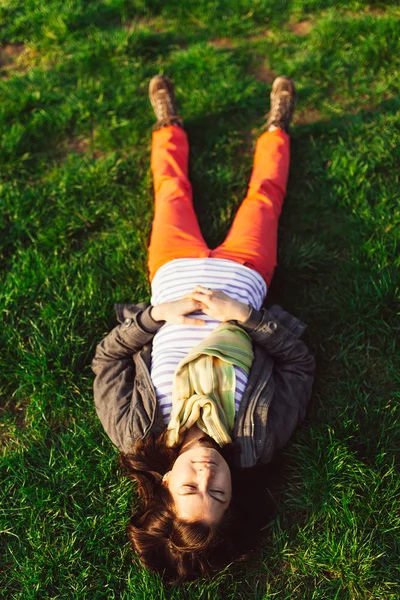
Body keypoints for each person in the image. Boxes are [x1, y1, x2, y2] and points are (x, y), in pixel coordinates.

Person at [91, 74, 315, 583]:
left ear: (165, 481)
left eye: (190, 489)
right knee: (265, 196)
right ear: (234, 494)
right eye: (219, 494)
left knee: (171, 189)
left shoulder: (135, 432)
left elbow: (106, 360)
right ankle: (278, 126)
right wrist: (243, 317)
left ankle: (167, 122)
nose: (208, 476)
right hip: (243, 276)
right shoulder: (259, 437)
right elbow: (300, 364)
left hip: (173, 272)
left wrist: (156, 317)